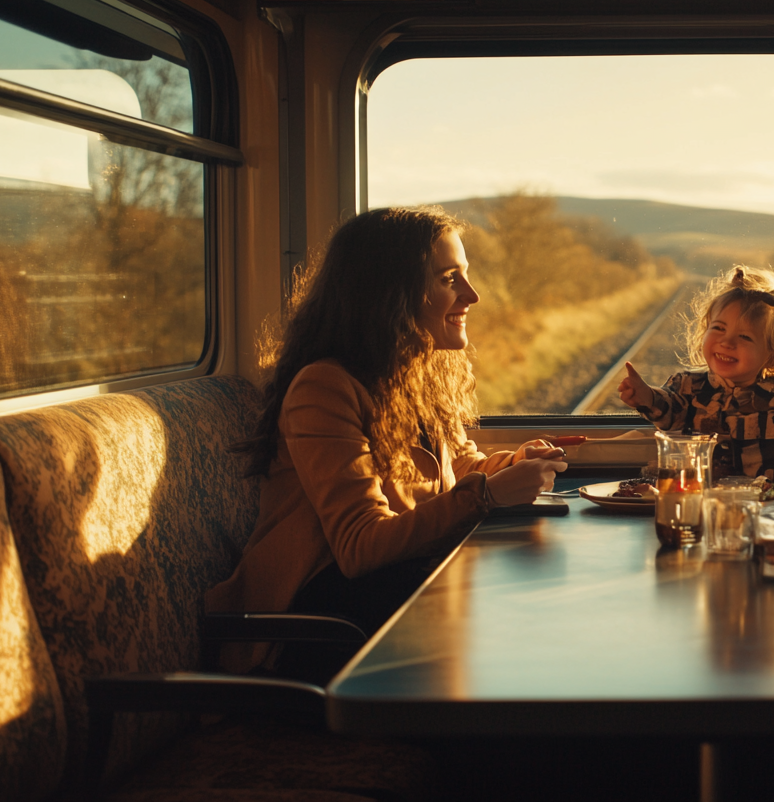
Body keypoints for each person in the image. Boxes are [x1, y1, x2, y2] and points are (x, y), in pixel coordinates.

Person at [207, 207, 567, 679]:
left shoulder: (421, 371)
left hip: (383, 602)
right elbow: (359, 546)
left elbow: (451, 469)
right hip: (313, 628)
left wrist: (513, 463)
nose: (472, 296)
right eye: (449, 279)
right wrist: (488, 494)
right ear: (390, 293)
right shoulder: (324, 387)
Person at [618, 266, 774, 482]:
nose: (726, 342)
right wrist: (646, 397)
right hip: (702, 506)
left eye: (744, 337)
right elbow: (670, 409)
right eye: (718, 328)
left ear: (773, 353)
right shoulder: (688, 387)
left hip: (771, 511)